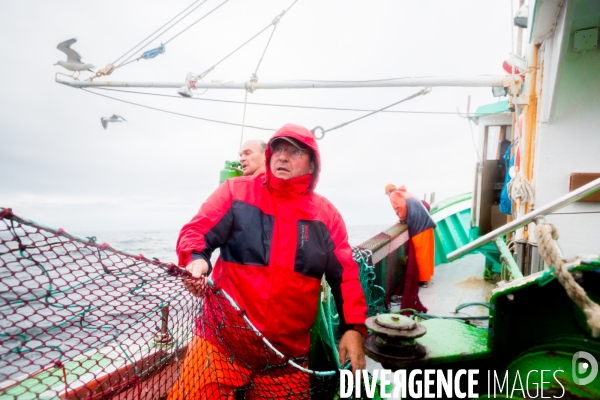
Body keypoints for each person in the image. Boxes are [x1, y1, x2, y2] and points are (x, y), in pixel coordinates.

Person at [171, 124, 368, 399]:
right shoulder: (234, 192)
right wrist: (196, 259)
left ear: (312, 166)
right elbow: (196, 232)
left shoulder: (327, 216)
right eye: (279, 149)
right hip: (222, 344)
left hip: (286, 357)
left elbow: (344, 276)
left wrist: (353, 328)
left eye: (296, 151)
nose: (283, 156)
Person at [385, 184, 436, 287]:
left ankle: (423, 280)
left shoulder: (394, 195)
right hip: (427, 224)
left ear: (388, 192)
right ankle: (427, 276)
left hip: (419, 227)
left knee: (420, 254)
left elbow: (402, 207)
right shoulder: (406, 193)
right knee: (427, 253)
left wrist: (402, 219)